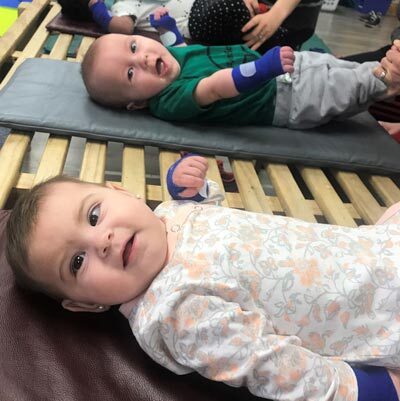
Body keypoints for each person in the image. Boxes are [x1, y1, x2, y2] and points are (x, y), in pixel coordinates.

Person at [5, 152, 400, 401]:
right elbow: (266, 364)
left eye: (94, 215)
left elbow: (221, 222)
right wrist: (354, 389)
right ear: (86, 304)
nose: (101, 240)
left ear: (122, 192)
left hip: (366, 247)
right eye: (77, 262)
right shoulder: (176, 311)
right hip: (378, 313)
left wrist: (192, 193)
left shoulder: (166, 215)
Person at [80, 9, 400, 130]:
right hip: (285, 97)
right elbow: (216, 86)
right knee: (347, 88)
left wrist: (166, 27)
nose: (143, 59)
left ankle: (383, 70)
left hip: (284, 68)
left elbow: (176, 44)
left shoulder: (171, 60)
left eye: (134, 47)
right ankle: (387, 81)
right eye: (131, 74)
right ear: (136, 104)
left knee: (340, 68)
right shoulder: (169, 100)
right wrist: (262, 69)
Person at [58, 0, 320, 52]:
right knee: (224, 12)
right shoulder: (121, 6)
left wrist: (277, 12)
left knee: (230, 12)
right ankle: (282, 39)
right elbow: (122, 27)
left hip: (294, 10)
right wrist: (98, 10)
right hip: (197, 19)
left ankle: (282, 35)